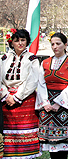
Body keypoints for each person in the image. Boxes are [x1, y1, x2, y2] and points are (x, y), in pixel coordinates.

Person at [35, 32, 68, 159]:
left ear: (65, 45)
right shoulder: (45, 63)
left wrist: (58, 103)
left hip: (63, 105)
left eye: (58, 44)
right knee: (50, 145)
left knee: (63, 145)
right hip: (47, 105)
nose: (55, 47)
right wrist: (45, 103)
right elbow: (41, 84)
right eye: (53, 44)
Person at [0, 29, 40, 157]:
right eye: (17, 40)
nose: (20, 43)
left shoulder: (32, 59)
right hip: (6, 100)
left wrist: (17, 96)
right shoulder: (4, 58)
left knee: (24, 131)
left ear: (27, 41)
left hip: (25, 100)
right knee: (7, 131)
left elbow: (32, 80)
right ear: (12, 43)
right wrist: (6, 95)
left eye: (23, 40)